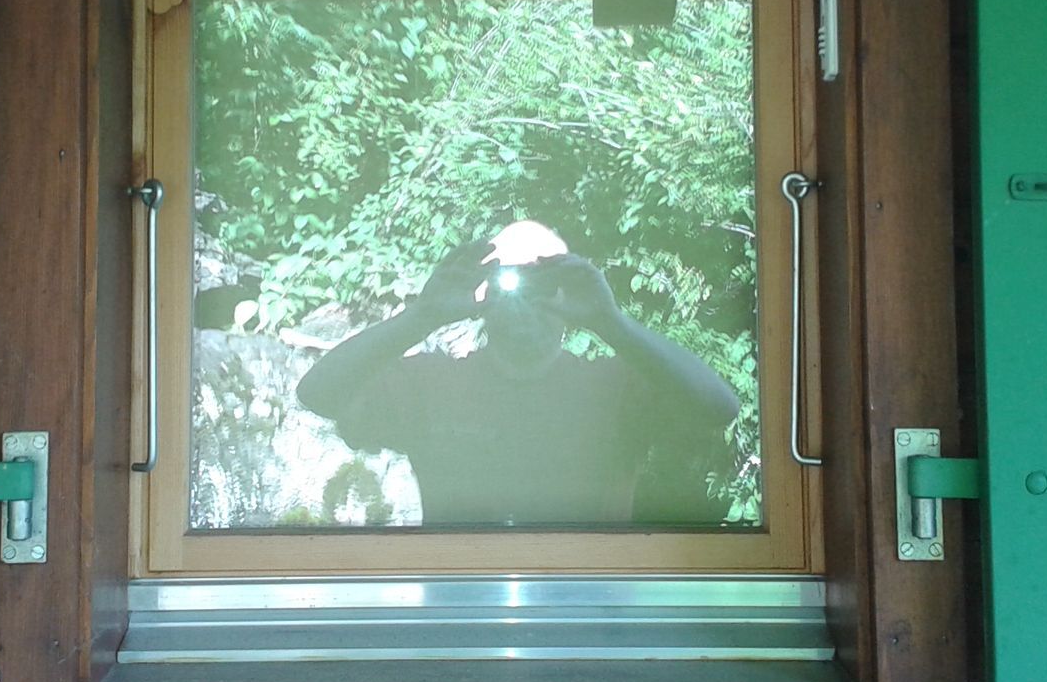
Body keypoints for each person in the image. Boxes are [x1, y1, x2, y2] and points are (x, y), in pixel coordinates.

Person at [295, 222, 741, 525]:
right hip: (462, 605)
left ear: (571, 291)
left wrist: (611, 322)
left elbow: (719, 409)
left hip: (588, 604)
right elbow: (318, 394)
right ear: (483, 290)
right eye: (510, 280)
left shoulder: (615, 387)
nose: (525, 299)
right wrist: (424, 315)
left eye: (544, 282)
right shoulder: (430, 385)